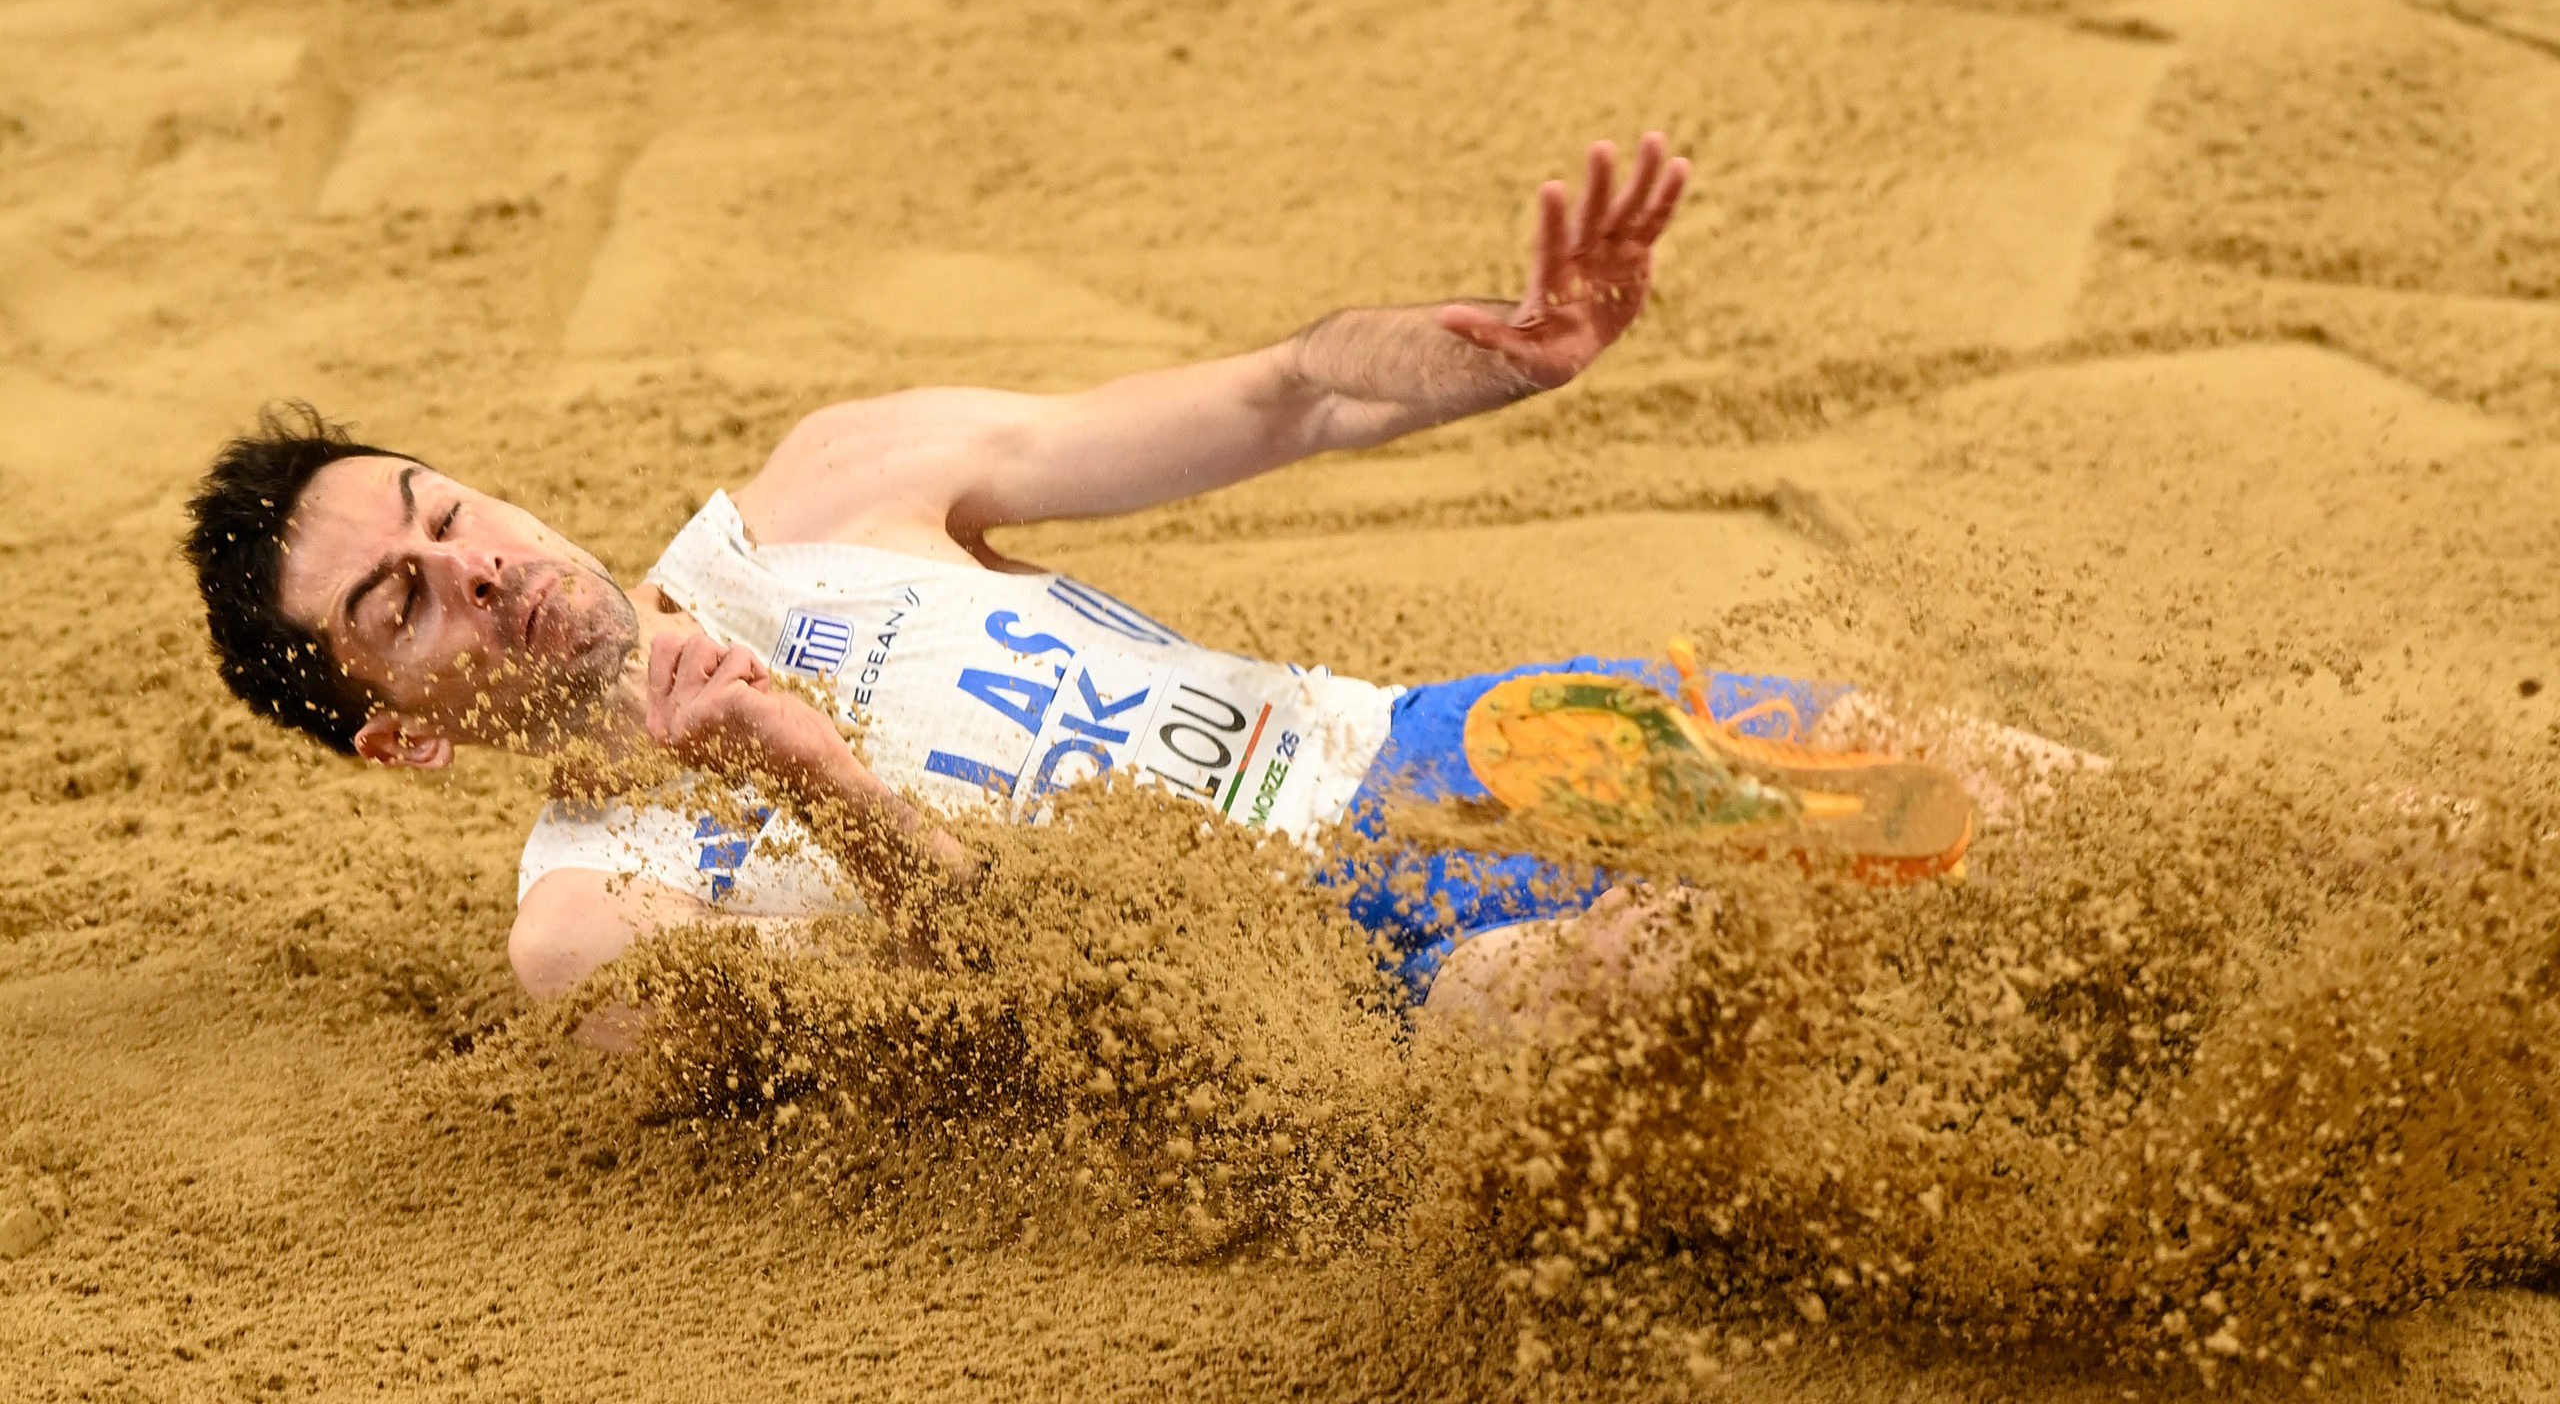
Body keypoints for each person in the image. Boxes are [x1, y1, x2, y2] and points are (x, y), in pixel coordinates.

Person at [182, 133, 1996, 1035]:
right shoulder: (589, 929)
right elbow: (1020, 1035)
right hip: (1338, 991)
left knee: (1998, 802)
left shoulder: (831, 490)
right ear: (397, 738)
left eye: (440, 512)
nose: (478, 567)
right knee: (1679, 982)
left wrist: (1494, 356)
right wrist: (810, 779)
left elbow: (1288, 394)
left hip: (1413, 752)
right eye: (401, 604)